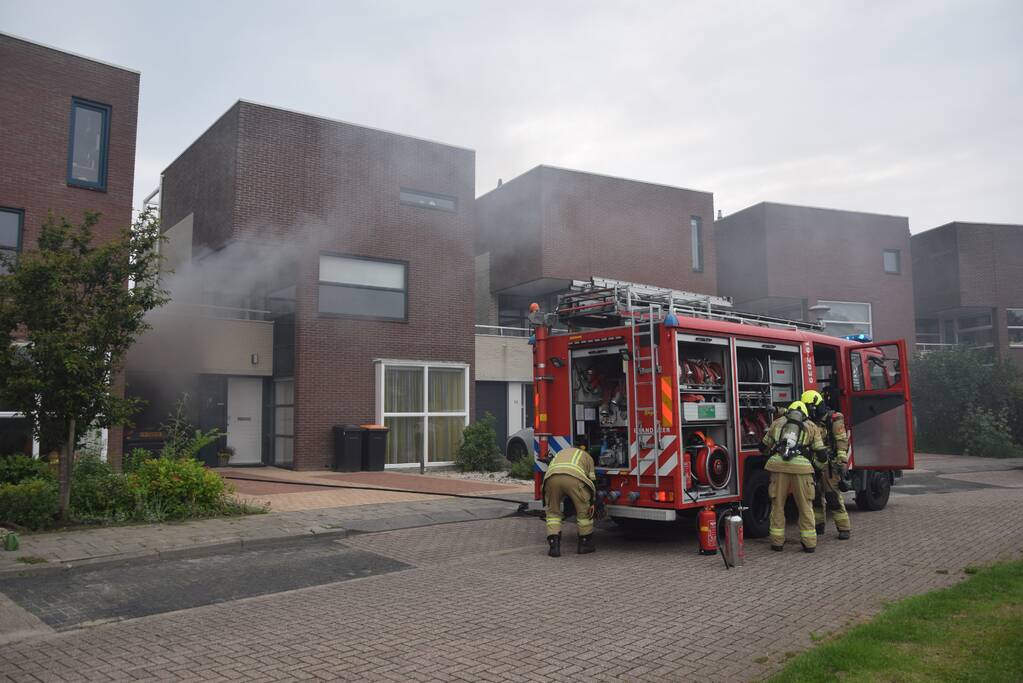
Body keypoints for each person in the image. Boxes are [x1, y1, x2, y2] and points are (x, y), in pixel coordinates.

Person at [761, 401, 828, 553]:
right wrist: (817, 468)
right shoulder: (811, 426)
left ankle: (777, 542)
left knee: (777, 505)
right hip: (802, 469)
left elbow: (763, 447)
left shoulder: (777, 423)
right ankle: (809, 543)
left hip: (777, 467)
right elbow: (822, 453)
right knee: (805, 506)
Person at [801, 389, 851, 540]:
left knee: (833, 497)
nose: (810, 412)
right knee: (815, 497)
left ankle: (844, 528)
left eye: (811, 408)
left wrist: (842, 462)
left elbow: (842, 441)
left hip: (830, 465)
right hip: (814, 463)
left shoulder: (834, 419)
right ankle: (818, 526)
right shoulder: (810, 421)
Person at [543, 438, 597, 557]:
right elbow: (592, 479)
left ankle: (554, 545)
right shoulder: (587, 456)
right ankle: (585, 544)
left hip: (551, 479)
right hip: (574, 480)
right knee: (584, 512)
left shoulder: (562, 452)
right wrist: (593, 499)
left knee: (553, 513)